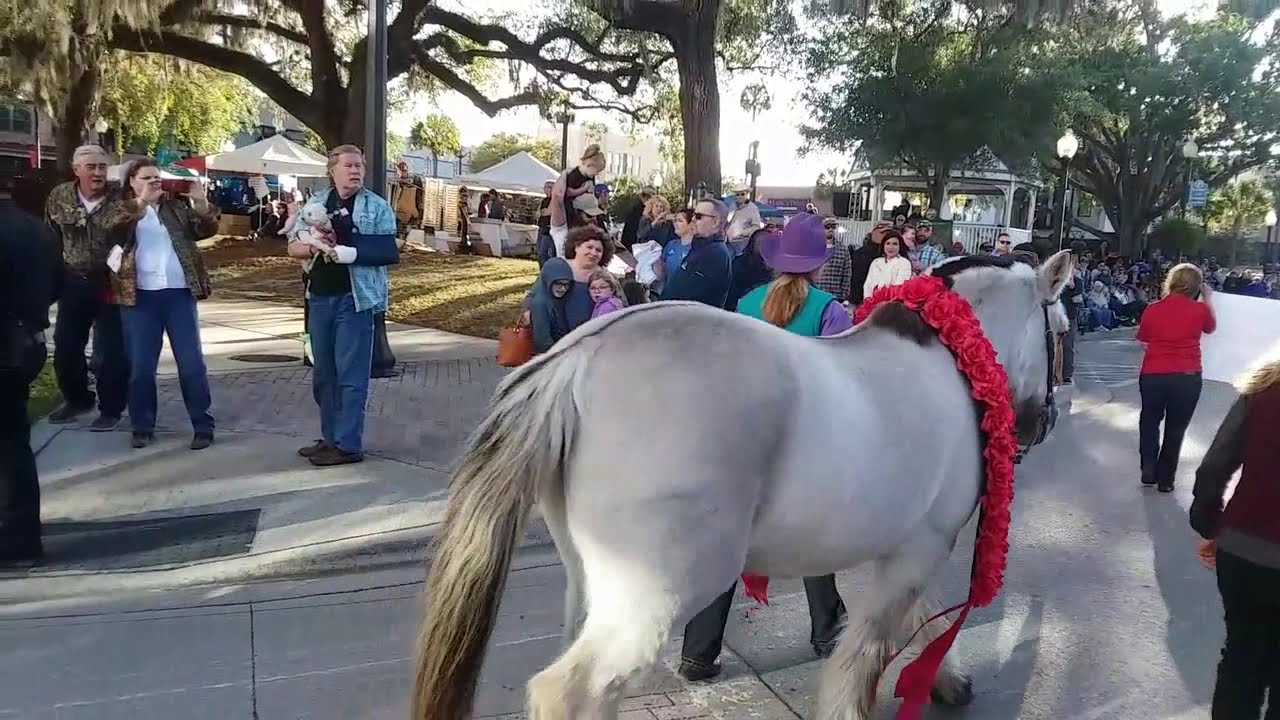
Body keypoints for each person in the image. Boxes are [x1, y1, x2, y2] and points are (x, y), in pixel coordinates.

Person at [678, 213, 852, 683]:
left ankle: (698, 652)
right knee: (818, 537)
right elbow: (838, 379)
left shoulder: (747, 301)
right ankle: (827, 633)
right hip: (802, 436)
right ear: (819, 264)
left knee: (725, 542)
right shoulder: (830, 309)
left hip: (739, 434)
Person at [288, 145, 399, 467]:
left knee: (351, 376)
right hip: (319, 297)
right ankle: (330, 437)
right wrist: (313, 247)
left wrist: (347, 248)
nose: (356, 171)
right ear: (332, 169)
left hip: (356, 300)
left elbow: (388, 250)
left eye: (360, 166)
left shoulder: (376, 207)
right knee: (324, 373)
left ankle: (348, 445)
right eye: (349, 165)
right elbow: (293, 247)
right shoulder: (317, 203)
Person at [102, 159, 220, 450]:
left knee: (191, 364)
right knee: (141, 366)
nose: (155, 182)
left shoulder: (175, 208)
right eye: (147, 177)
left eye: (157, 177)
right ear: (132, 181)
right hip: (140, 296)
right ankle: (142, 426)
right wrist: (142, 201)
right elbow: (110, 228)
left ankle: (202, 425)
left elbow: (205, 229)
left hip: (179, 294)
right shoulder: (122, 208)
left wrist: (201, 201)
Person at [1188, 346, 1280, 720]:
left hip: (1244, 551)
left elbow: (1214, 468)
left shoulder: (1265, 387)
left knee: (1241, 658)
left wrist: (1213, 526)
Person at [43, 144, 130, 430]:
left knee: (108, 354)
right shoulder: (60, 196)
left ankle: (111, 409)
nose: (97, 173)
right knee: (66, 347)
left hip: (110, 283)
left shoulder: (122, 196)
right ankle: (78, 399)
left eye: (102, 167)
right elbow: (51, 237)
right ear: (76, 169)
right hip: (73, 281)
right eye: (91, 167)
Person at [0, 185, 60, 566]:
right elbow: (57, 282)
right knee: (14, 443)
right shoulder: (37, 228)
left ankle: (16, 536)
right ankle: (23, 536)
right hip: (25, 343)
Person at [1135, 262, 1215, 492]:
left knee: (1149, 421)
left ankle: (1148, 466)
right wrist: (1208, 300)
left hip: (1153, 374)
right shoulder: (1200, 310)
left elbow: (1144, 338)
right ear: (1196, 288)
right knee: (1176, 428)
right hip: (1187, 375)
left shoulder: (1153, 308)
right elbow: (1210, 328)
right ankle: (1166, 479)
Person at [659, 198, 734, 309]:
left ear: (715, 222)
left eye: (698, 216)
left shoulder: (715, 253)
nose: (693, 219)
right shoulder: (701, 248)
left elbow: (692, 297)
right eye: (693, 215)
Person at [529, 258, 574, 354]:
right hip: (552, 357)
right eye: (558, 283)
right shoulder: (540, 303)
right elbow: (542, 341)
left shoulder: (560, 298)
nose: (562, 288)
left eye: (566, 285)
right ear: (548, 280)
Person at [862, 229, 913, 298]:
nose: (891, 247)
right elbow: (868, 285)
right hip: (872, 303)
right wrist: (868, 300)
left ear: (900, 246)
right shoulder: (876, 262)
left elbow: (899, 287)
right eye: (888, 243)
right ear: (883, 245)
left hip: (891, 303)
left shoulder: (904, 263)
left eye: (895, 244)